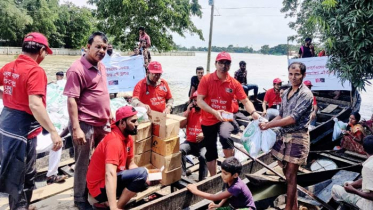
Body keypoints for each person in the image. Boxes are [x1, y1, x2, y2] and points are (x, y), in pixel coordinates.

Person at [0, 32, 63, 209]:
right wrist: (53, 131)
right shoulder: (35, 71)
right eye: (45, 53)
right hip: (22, 131)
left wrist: (7, 97)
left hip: (6, 126)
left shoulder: (9, 67)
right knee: (20, 176)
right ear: (41, 50)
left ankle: (23, 206)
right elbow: (35, 105)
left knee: (21, 174)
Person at [63, 31, 112, 210]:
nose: (101, 51)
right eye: (98, 46)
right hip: (85, 123)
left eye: (104, 48)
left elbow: (102, 93)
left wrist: (109, 112)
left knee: (102, 159)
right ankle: (80, 199)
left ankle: (97, 191)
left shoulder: (102, 67)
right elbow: (71, 100)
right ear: (88, 46)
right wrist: (76, 128)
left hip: (102, 122)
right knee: (82, 163)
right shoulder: (77, 69)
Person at [259, 62, 313, 210]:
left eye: (297, 74)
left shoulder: (306, 94)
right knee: (287, 174)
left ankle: (288, 208)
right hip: (283, 135)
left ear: (303, 75)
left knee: (291, 174)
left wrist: (269, 125)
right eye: (291, 74)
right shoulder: (286, 92)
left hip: (298, 136)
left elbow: (293, 118)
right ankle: (294, 206)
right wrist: (266, 124)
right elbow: (282, 115)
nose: (293, 77)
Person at [197, 52, 260, 176]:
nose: (223, 66)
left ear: (230, 66)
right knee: (211, 151)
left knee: (225, 136)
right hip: (209, 118)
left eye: (227, 63)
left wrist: (253, 113)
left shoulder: (234, 83)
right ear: (216, 64)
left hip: (225, 118)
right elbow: (199, 100)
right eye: (221, 62)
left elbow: (245, 100)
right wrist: (214, 112)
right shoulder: (206, 79)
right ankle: (213, 177)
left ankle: (228, 169)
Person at [87, 106, 149, 209]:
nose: (137, 124)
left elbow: (131, 163)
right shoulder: (114, 142)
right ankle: (116, 207)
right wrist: (113, 207)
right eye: (133, 121)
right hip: (99, 188)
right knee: (141, 174)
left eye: (137, 120)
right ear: (122, 123)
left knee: (144, 180)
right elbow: (110, 174)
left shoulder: (128, 138)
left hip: (112, 178)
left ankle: (109, 203)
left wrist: (147, 176)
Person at [187, 157, 256, 210]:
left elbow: (215, 197)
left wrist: (195, 191)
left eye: (225, 173)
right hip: (233, 207)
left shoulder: (236, 186)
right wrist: (219, 205)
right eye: (222, 172)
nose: (222, 175)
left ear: (235, 175)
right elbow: (227, 194)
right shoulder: (229, 180)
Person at [332, 135, 373, 209]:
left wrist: (354, 191)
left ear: (363, 149)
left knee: (335, 188)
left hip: (369, 206)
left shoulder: (368, 167)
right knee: (347, 183)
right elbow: (367, 178)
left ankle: (345, 207)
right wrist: (353, 185)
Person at [180, 91, 207, 181]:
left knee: (203, 156)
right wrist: (187, 111)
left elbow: (214, 129)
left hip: (203, 144)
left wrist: (204, 134)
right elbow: (181, 125)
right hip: (190, 142)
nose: (196, 103)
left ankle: (202, 179)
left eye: (198, 100)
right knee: (180, 150)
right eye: (194, 101)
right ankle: (182, 175)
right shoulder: (190, 112)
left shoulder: (207, 113)